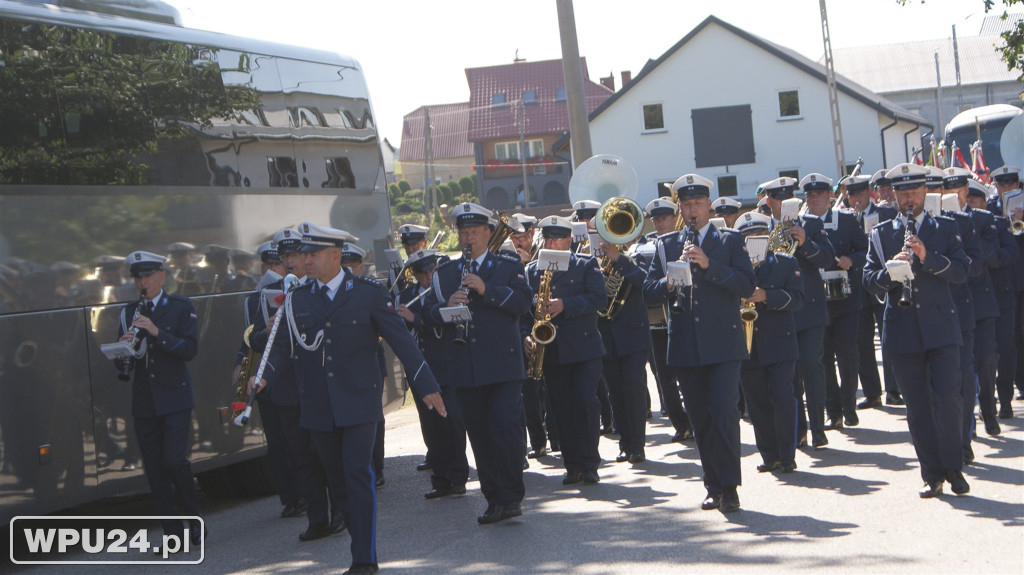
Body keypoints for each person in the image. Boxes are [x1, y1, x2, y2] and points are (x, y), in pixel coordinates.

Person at [255, 223, 445, 574]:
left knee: (358, 474)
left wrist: (428, 385)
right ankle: (354, 531)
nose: (305, 261)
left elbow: (401, 341)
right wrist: (262, 376)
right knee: (338, 483)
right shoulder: (299, 298)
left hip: (358, 404)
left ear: (334, 256)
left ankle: (364, 559)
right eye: (304, 255)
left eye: (312, 255)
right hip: (318, 407)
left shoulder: (368, 293)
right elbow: (281, 347)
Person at [643, 174, 756, 512]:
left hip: (723, 343)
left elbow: (747, 285)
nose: (692, 210)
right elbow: (647, 291)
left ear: (709, 205)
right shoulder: (666, 244)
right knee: (701, 418)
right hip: (686, 344)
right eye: (686, 205)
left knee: (724, 413)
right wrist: (667, 281)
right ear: (680, 208)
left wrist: (709, 265)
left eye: (697, 204)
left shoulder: (731, 240)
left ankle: (730, 486)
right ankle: (713, 485)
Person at [863, 163, 971, 498]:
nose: (909, 199)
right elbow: (868, 279)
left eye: (914, 192)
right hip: (903, 329)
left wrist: (929, 257)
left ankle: (954, 468)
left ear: (926, 192)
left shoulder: (945, 228)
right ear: (894, 195)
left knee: (949, 398)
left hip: (942, 327)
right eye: (903, 193)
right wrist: (891, 273)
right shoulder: (881, 234)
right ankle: (932, 474)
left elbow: (962, 272)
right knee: (917, 406)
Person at [422, 202, 532, 525]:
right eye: (463, 232)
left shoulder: (507, 265)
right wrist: (446, 306)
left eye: (474, 232)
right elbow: (427, 315)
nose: (468, 238)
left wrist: (487, 290)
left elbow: (524, 302)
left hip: (503, 366)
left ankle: (511, 496)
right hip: (466, 368)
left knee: (505, 430)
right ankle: (493, 498)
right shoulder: (445, 274)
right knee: (481, 437)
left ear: (488, 233)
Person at [112, 251, 203, 545]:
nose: (142, 282)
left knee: (174, 461)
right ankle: (172, 534)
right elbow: (120, 361)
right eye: (138, 277)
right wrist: (122, 348)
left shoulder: (180, 306)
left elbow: (189, 350)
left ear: (162, 276)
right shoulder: (128, 312)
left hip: (175, 397)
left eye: (148, 275)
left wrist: (155, 331)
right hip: (145, 401)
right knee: (154, 469)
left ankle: (194, 519)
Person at [523, 215, 607, 485]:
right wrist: (527, 334)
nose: (552, 242)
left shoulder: (585, 264)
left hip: (584, 348)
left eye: (558, 238)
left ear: (569, 240)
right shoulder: (532, 270)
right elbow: (526, 308)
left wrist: (565, 305)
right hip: (552, 350)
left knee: (585, 402)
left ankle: (590, 462)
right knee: (561, 409)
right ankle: (572, 465)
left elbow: (599, 299)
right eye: (548, 238)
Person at [766, 175, 836, 449]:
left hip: (810, 309)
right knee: (788, 375)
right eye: (778, 200)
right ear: (769, 202)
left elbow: (827, 260)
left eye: (788, 200)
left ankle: (818, 427)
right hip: (780, 310)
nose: (784, 205)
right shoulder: (761, 228)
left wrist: (806, 242)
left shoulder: (813, 224)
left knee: (812, 367)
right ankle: (798, 429)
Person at [396, 249, 469, 499]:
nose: (427, 276)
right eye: (421, 272)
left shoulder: (445, 292)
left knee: (453, 424)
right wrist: (401, 318)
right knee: (431, 426)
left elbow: (450, 318)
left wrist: (415, 317)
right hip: (421, 369)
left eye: (431, 271)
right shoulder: (406, 296)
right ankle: (441, 480)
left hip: (446, 365)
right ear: (414, 274)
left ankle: (459, 476)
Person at [735, 212, 804, 473]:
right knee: (757, 403)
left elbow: (797, 299)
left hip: (780, 343)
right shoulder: (735, 268)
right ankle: (769, 455)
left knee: (783, 399)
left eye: (759, 237)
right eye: (748, 238)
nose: (754, 242)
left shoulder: (785, 263)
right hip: (747, 344)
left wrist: (767, 296)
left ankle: (787, 455)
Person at [806, 174, 869, 430]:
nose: (814, 199)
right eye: (809, 195)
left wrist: (851, 260)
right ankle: (834, 410)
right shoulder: (802, 224)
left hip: (846, 299)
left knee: (848, 354)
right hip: (817, 301)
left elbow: (865, 251)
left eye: (819, 194)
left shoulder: (846, 220)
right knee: (823, 358)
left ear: (830, 196)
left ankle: (848, 405)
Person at [631, 198, 692, 442]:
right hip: (656, 320)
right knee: (663, 376)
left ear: (674, 217)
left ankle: (694, 419)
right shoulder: (643, 246)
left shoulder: (682, 241)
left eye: (664, 218)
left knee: (688, 374)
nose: (659, 223)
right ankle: (680, 423)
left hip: (683, 317)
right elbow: (646, 283)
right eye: (655, 219)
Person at [847, 176, 899, 409]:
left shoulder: (887, 214)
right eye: (852, 195)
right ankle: (872, 392)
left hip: (881, 282)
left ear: (869, 193)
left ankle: (894, 389)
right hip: (858, 285)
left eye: (860, 194)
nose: (856, 199)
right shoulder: (846, 219)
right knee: (861, 341)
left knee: (889, 336)